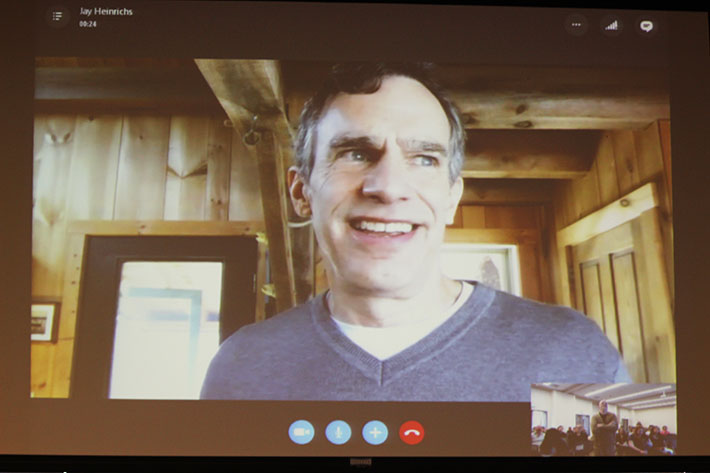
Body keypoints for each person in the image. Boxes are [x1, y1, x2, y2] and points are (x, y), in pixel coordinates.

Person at [200, 62, 631, 402]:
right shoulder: (240, 365)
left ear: (450, 198)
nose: (388, 187)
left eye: (424, 159)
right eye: (355, 152)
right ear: (301, 192)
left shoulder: (574, 352)